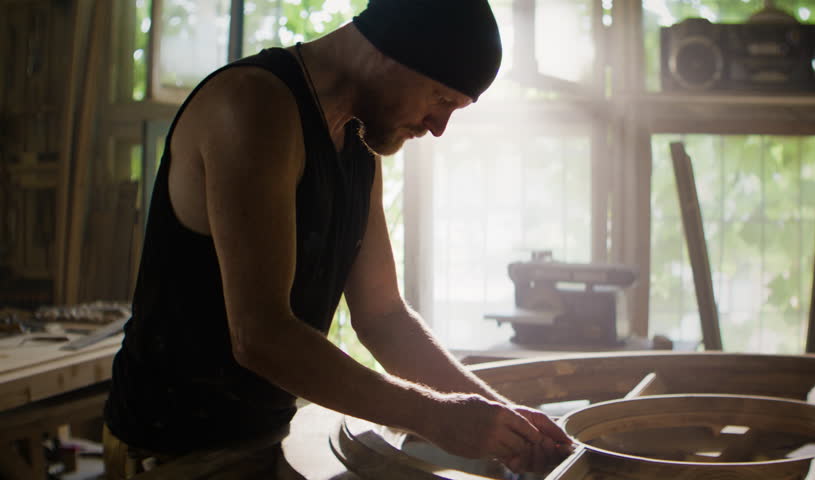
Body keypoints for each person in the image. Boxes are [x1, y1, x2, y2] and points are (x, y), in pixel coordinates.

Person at [102, 0, 573, 477]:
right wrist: (437, 417)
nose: (438, 126)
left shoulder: (357, 148)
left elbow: (384, 318)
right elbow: (262, 336)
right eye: (441, 98)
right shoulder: (253, 105)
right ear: (394, 51)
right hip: (173, 453)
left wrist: (507, 423)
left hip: (265, 439)